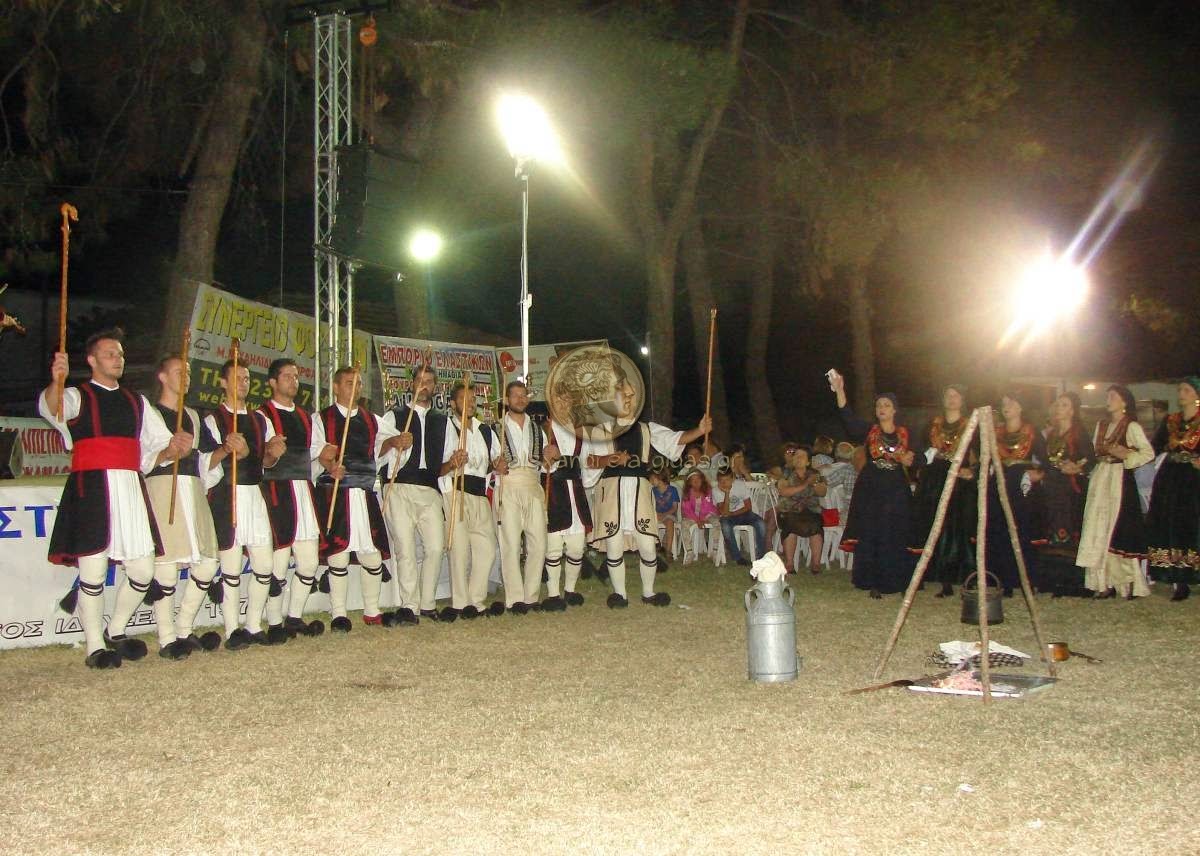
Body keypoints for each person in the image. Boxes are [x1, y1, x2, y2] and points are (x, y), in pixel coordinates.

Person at [39, 329, 184, 668]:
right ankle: (94, 647)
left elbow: (156, 447)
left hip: (130, 488)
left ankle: (115, 630)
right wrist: (57, 380)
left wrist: (171, 449)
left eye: (120, 354)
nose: (118, 359)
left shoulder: (137, 402)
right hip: (91, 488)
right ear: (92, 360)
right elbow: (53, 408)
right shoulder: (76, 395)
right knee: (93, 568)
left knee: (143, 570)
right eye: (110, 354)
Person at [589, 400, 711, 605]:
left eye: (631, 398)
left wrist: (699, 430)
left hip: (640, 492)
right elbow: (589, 460)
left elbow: (675, 440)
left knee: (647, 546)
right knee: (614, 545)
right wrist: (610, 458)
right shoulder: (601, 430)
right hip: (612, 492)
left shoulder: (647, 429)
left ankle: (648, 593)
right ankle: (620, 594)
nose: (627, 402)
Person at [143, 355, 222, 658]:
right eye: (179, 372)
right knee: (166, 565)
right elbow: (143, 457)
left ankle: (184, 628)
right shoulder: (149, 414)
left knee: (207, 562)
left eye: (188, 372)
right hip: (164, 487)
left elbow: (206, 459)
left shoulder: (193, 416)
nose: (185, 377)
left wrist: (226, 450)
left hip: (192, 489)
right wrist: (168, 451)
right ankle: (166, 638)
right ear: (162, 377)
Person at [204, 358, 283, 648]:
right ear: (223, 382)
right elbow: (206, 462)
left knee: (264, 563)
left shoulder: (261, 420)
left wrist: (273, 452)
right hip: (228, 495)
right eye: (237, 378)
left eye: (247, 378)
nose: (243, 383)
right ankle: (232, 629)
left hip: (254, 493)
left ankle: (253, 624)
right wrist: (227, 449)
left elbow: (266, 462)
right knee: (232, 566)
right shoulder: (213, 420)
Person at [312, 366, 391, 631]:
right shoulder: (321, 419)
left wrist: (395, 443)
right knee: (338, 555)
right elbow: (315, 452)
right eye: (349, 383)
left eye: (358, 384)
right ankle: (338, 613)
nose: (355, 388)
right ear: (335, 387)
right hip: (336, 494)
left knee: (372, 555)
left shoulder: (372, 420)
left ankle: (372, 610)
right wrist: (328, 464)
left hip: (364, 493)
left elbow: (381, 449)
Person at [829, 371, 918, 598]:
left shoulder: (905, 434)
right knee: (873, 530)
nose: (882, 408)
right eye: (879, 405)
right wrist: (840, 390)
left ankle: (897, 580)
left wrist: (911, 459)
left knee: (896, 531)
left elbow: (919, 457)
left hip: (896, 486)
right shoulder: (870, 431)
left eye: (887, 405)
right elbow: (848, 418)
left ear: (894, 410)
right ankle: (873, 581)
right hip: (872, 486)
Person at [376, 363, 448, 624]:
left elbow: (445, 463)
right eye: (420, 380)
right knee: (405, 548)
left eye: (429, 381)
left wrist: (455, 463)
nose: (424, 386)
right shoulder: (394, 415)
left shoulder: (443, 420)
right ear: (411, 384)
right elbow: (376, 450)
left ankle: (428, 603)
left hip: (430, 489)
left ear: (435, 387)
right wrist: (393, 442)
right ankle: (410, 605)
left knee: (436, 547)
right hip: (399, 486)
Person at [258, 358, 324, 639]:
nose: (293, 381)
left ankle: (294, 617)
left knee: (309, 562)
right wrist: (270, 453)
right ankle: (274, 622)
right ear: (272, 382)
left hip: (303, 492)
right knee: (279, 562)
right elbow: (258, 458)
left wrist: (329, 460)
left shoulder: (306, 418)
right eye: (287, 376)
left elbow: (315, 454)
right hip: (277, 493)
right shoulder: (261, 415)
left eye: (296, 376)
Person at [1077, 385, 1152, 599]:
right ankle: (1102, 583)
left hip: (1120, 479)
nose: (1108, 400)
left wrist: (1127, 455)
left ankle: (1127, 583)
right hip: (1101, 479)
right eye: (1107, 396)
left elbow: (1148, 453)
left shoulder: (1131, 426)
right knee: (1097, 526)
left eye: (1113, 396)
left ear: (1124, 402)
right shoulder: (1101, 426)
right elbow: (1094, 454)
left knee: (1118, 529)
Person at [493, 380, 559, 613]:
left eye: (524, 395)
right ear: (506, 400)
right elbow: (489, 461)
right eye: (515, 395)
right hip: (508, 485)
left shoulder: (538, 429)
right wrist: (495, 465)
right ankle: (515, 599)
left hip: (532, 485)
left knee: (538, 544)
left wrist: (552, 455)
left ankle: (531, 597)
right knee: (510, 544)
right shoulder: (495, 428)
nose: (520, 399)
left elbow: (546, 465)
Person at [910, 385, 977, 597]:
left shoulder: (971, 425)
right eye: (948, 395)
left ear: (963, 399)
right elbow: (921, 451)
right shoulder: (932, 425)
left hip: (958, 480)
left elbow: (980, 454)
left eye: (956, 395)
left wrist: (972, 471)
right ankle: (925, 574)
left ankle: (952, 577)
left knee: (954, 528)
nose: (951, 399)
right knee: (930, 524)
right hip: (934, 479)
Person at [440, 381, 499, 619]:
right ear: (453, 403)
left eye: (473, 400)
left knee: (487, 549)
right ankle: (460, 603)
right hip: (456, 491)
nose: (470, 404)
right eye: (464, 400)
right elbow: (438, 466)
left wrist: (498, 465)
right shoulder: (446, 427)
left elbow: (494, 461)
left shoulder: (485, 430)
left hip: (479, 494)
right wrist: (452, 463)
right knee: (459, 551)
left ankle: (476, 600)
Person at [1033, 392, 1094, 597]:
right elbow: (1044, 459)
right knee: (1052, 529)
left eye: (1064, 405)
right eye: (1058, 405)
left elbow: (1090, 458)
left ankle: (1072, 582)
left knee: (1070, 529)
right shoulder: (1052, 434)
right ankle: (1052, 581)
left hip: (1071, 489)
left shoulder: (1078, 433)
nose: (1059, 408)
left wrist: (1077, 468)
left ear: (1073, 410)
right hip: (1052, 487)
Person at [986, 392, 1046, 596]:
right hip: (1000, 481)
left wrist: (1037, 474)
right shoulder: (995, 432)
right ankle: (1005, 581)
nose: (1006, 406)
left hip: (1021, 484)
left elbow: (1045, 460)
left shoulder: (1031, 431)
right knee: (1000, 530)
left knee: (1022, 530)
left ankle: (1028, 579)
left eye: (1011, 403)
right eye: (1003, 403)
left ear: (1020, 407)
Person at [1146, 377, 1200, 601]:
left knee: (1191, 524)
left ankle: (1191, 573)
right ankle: (1178, 578)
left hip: (1194, 479)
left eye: (1186, 390)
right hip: (1170, 478)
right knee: (1170, 523)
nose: (1181, 394)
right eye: (1180, 390)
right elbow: (1154, 447)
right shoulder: (1171, 420)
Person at [545, 413, 598, 609]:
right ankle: (553, 594)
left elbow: (587, 465)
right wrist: (549, 459)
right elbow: (536, 464)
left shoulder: (580, 434)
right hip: (553, 494)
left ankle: (570, 590)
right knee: (553, 549)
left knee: (576, 548)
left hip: (575, 494)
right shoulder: (544, 428)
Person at [774, 444, 826, 575]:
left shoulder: (815, 474)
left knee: (816, 525)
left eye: (802, 456)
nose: (797, 458)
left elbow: (822, 492)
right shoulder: (786, 474)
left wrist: (815, 484)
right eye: (796, 455)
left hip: (810, 510)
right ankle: (789, 563)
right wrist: (805, 484)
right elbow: (784, 491)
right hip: (789, 510)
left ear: (808, 461)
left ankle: (816, 563)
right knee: (790, 524)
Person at [714, 469, 767, 566]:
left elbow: (748, 506)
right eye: (721, 480)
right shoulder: (716, 490)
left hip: (744, 513)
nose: (724, 483)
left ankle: (761, 556)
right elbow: (724, 513)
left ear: (733, 479)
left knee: (761, 524)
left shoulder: (740, 485)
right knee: (725, 527)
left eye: (727, 480)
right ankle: (737, 557)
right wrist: (727, 493)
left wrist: (733, 513)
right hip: (728, 517)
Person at [679, 469, 720, 563]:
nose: (696, 482)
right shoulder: (687, 493)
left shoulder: (707, 491)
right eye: (693, 480)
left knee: (717, 523)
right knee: (684, 524)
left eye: (698, 479)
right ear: (689, 483)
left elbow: (708, 506)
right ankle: (689, 551)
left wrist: (702, 519)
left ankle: (715, 549)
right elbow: (687, 509)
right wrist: (697, 520)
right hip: (693, 517)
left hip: (708, 514)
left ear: (702, 480)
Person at [651, 470, 680, 559]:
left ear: (659, 478)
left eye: (652, 479)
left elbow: (674, 508)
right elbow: (651, 506)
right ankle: (655, 547)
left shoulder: (673, 490)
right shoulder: (653, 490)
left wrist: (665, 514)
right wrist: (657, 514)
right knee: (650, 521)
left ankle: (668, 550)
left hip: (669, 514)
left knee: (670, 522)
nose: (651, 481)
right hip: (657, 514)